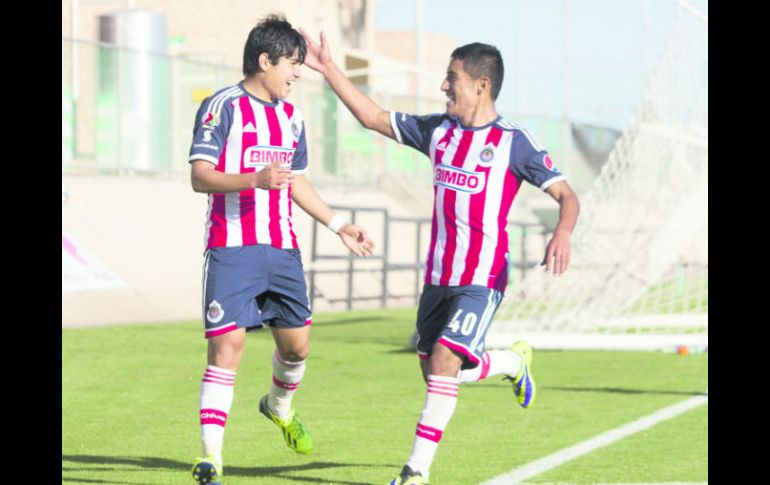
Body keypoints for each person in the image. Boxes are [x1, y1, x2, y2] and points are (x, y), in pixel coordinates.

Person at [299, 30, 580, 485]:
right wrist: (328, 67)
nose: (444, 86)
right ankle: (510, 363)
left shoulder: (515, 142)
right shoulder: (438, 131)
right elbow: (372, 117)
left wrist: (563, 232)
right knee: (439, 372)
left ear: (481, 85)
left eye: (452, 78)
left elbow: (567, 195)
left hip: (482, 277)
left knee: (446, 361)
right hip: (438, 279)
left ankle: (416, 472)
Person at [188, 15, 374, 485]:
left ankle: (278, 406)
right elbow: (199, 176)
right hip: (232, 250)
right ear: (264, 60)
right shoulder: (221, 106)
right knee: (226, 348)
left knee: (296, 349)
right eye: (291, 64)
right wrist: (254, 178)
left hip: (283, 250)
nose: (297, 73)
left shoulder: (293, 117)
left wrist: (338, 225)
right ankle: (211, 457)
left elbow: (296, 181)